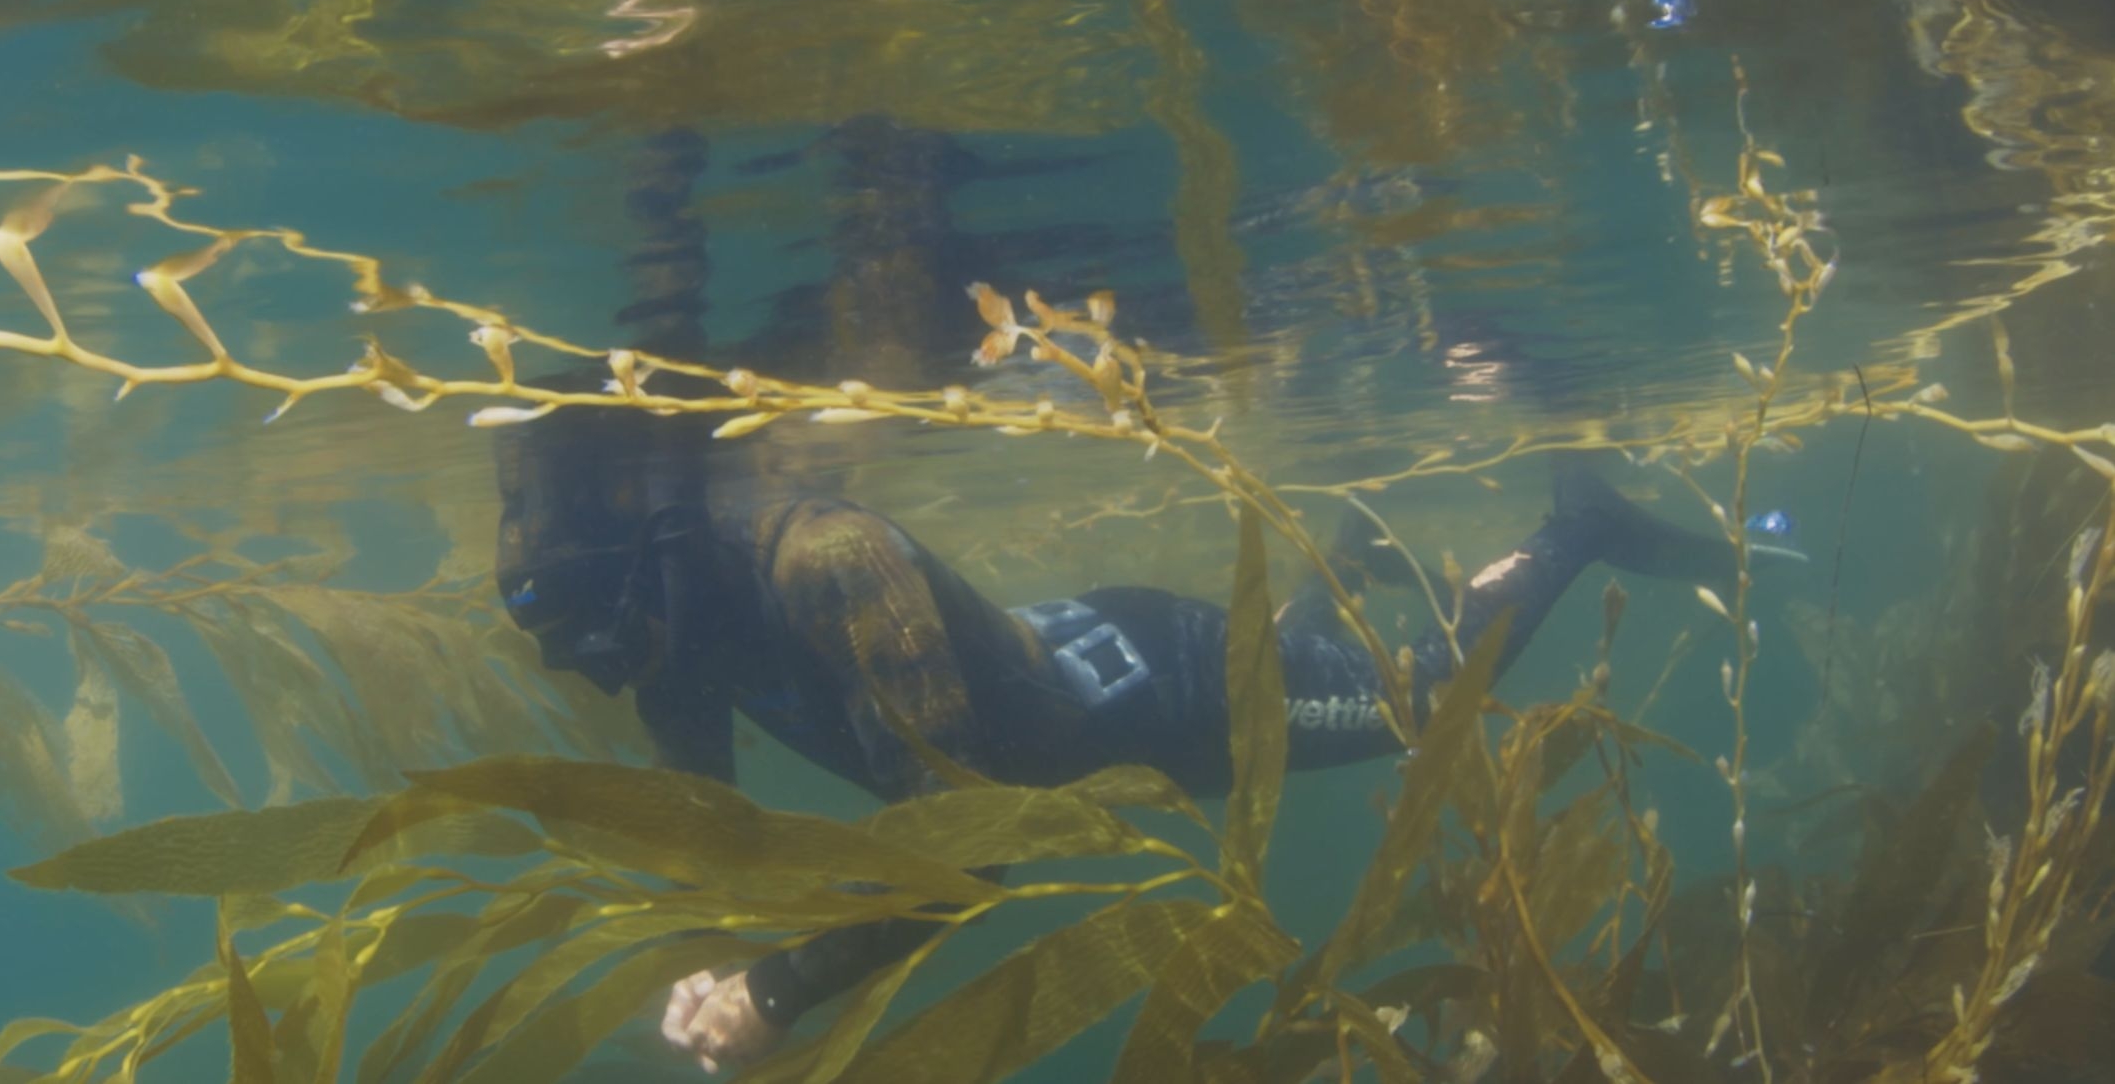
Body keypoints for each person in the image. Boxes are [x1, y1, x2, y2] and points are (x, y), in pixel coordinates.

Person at [491, 381, 1787, 1074]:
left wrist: (775, 992)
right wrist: (710, 962)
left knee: (1415, 699)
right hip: (1085, 660)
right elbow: (719, 831)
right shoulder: (666, 608)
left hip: (1163, 693)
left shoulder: (829, 559)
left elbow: (968, 846)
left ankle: (1577, 528)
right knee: (1322, 664)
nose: (603, 671)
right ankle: (1342, 560)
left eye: (589, 634)